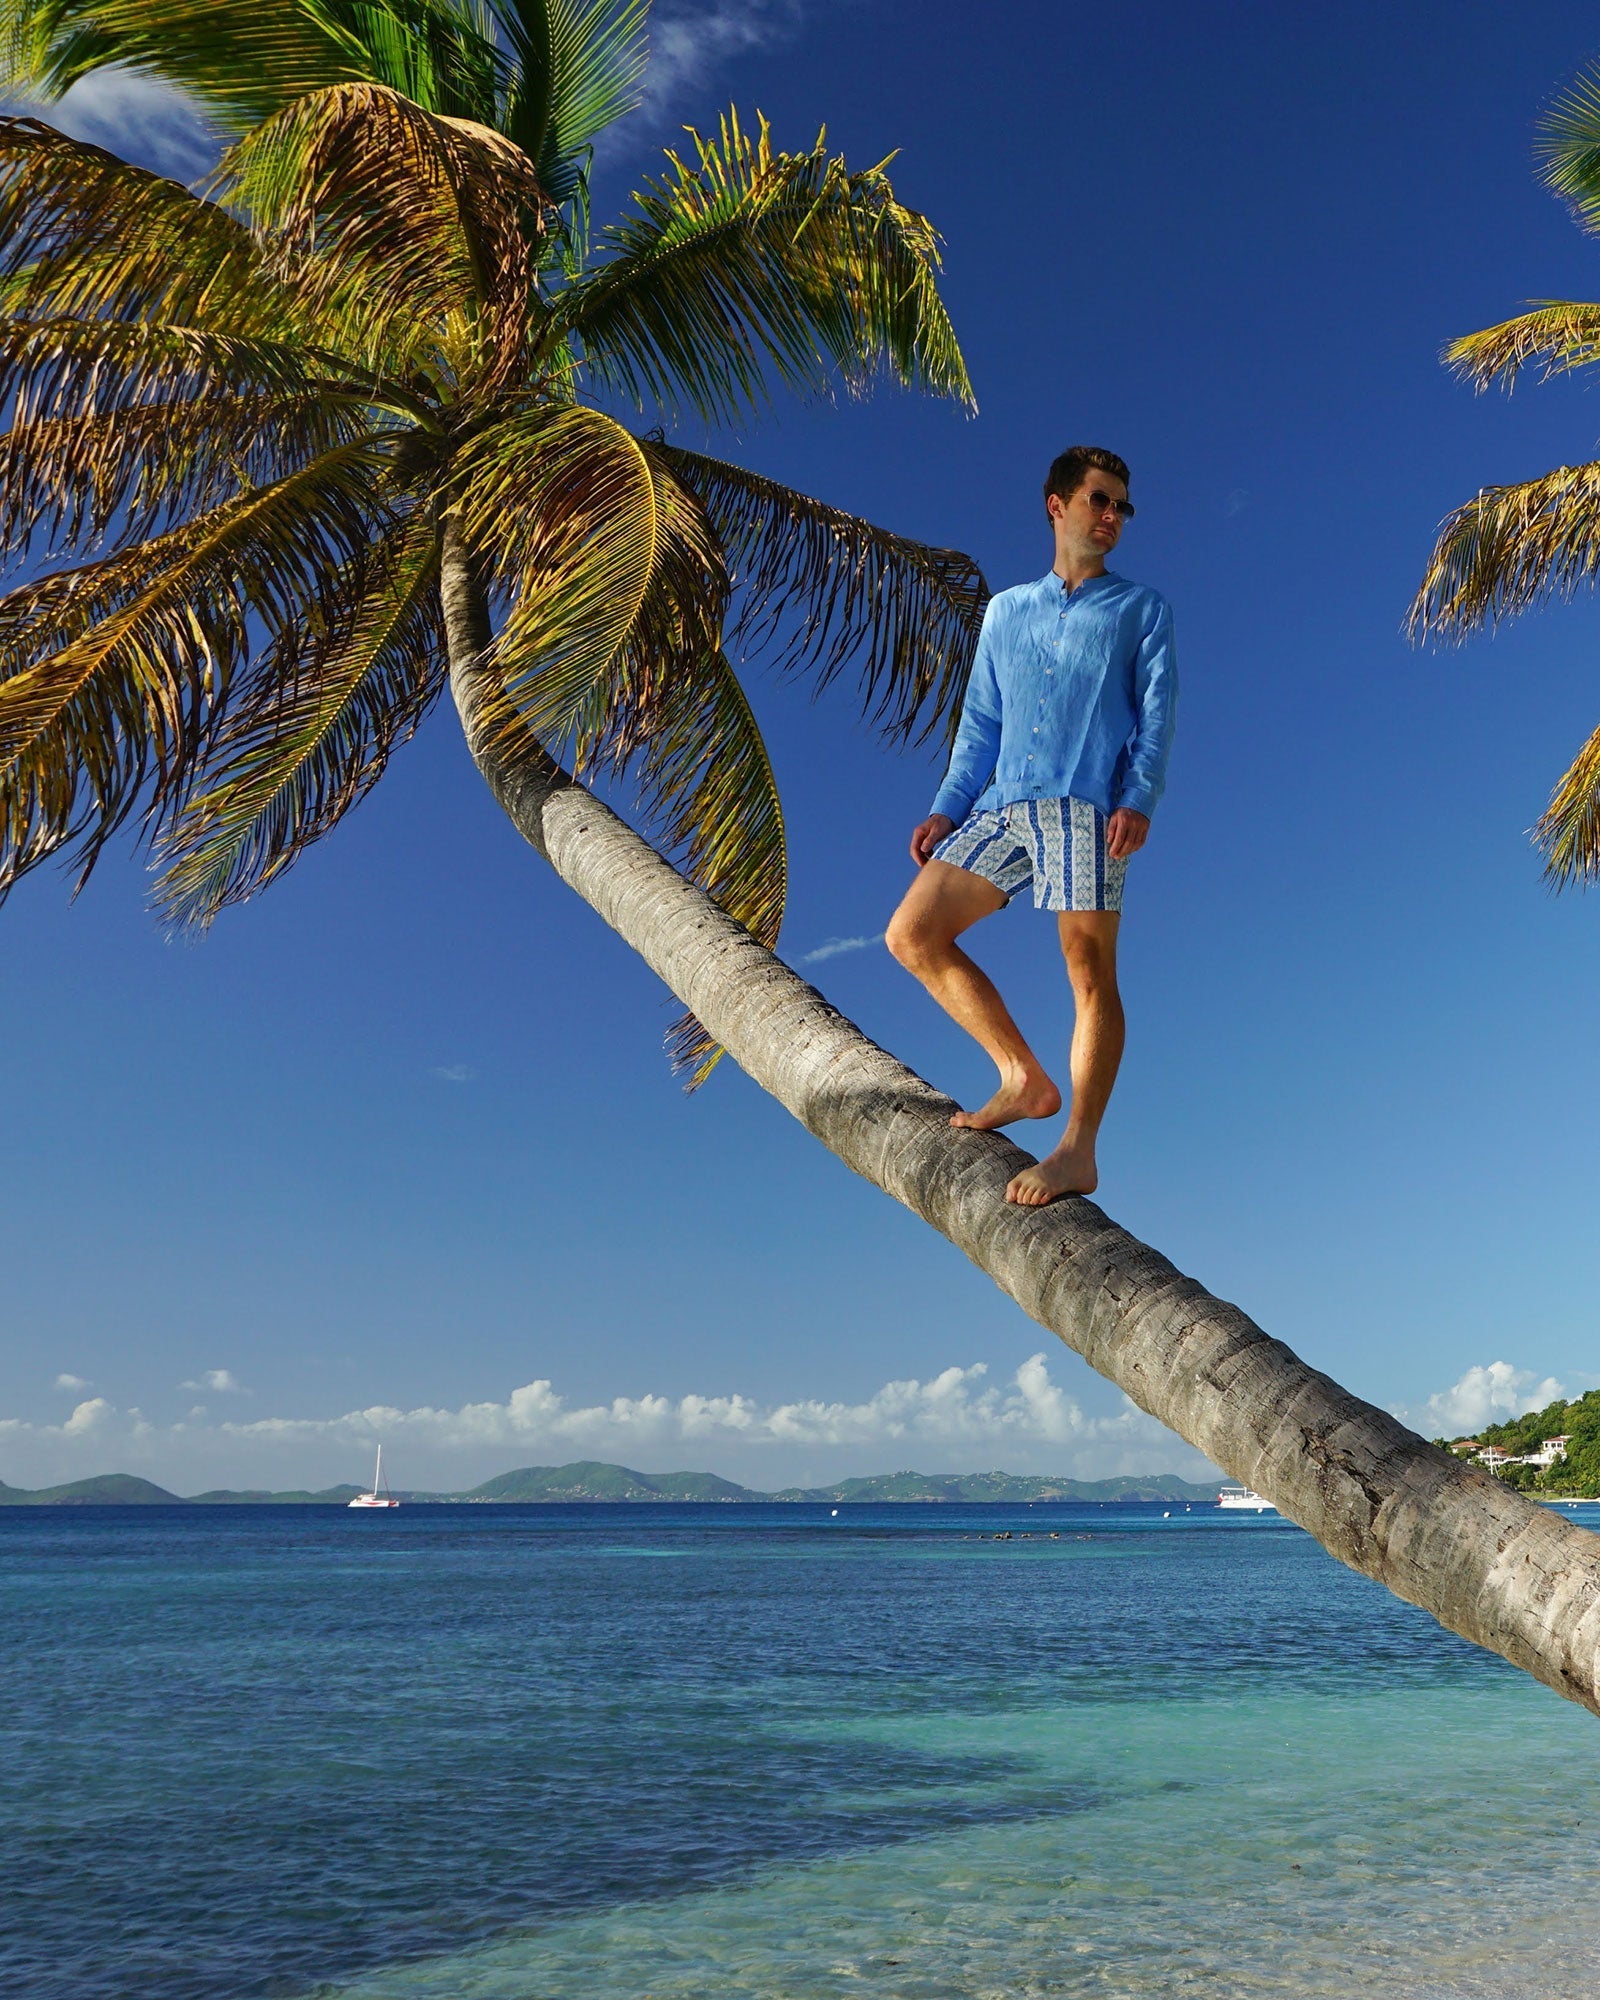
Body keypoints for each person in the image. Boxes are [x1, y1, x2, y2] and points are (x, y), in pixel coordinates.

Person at [886, 446, 1177, 1207]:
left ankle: (1078, 1149)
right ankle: (1021, 1076)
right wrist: (949, 806)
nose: (1112, 516)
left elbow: (1156, 717)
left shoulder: (1141, 609)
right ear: (1057, 504)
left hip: (1088, 807)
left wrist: (1138, 798)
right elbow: (980, 723)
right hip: (1002, 807)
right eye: (1098, 499)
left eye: (1121, 506)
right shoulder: (1006, 612)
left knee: (1088, 969)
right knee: (912, 935)